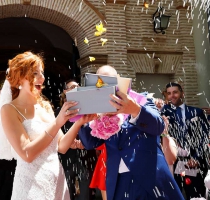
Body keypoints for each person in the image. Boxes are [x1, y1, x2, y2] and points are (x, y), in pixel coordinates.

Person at [0, 51, 94, 200]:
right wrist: (57, 122)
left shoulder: (46, 106)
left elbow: (61, 146)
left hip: (56, 180)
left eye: (42, 73)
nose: (42, 77)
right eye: (35, 73)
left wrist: (79, 122)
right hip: (31, 184)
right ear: (19, 78)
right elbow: (26, 154)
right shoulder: (9, 110)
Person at [78, 65, 184, 200]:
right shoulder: (99, 112)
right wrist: (83, 120)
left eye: (110, 81)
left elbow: (158, 126)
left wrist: (134, 109)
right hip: (119, 182)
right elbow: (89, 143)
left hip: (150, 179)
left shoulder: (142, 100)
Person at [162, 82, 210, 199]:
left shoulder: (197, 112)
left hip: (195, 165)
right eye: (169, 93)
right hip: (174, 164)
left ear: (182, 94)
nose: (172, 96)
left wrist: (196, 158)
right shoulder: (164, 113)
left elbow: (204, 137)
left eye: (175, 92)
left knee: (196, 196)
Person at [56, 79, 97, 200]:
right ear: (65, 91)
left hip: (85, 157)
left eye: (78, 86)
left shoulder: (88, 109)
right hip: (66, 157)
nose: (76, 88)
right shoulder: (59, 112)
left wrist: (84, 144)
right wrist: (70, 144)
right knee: (68, 190)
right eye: (73, 87)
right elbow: (55, 132)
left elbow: (94, 129)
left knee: (85, 192)